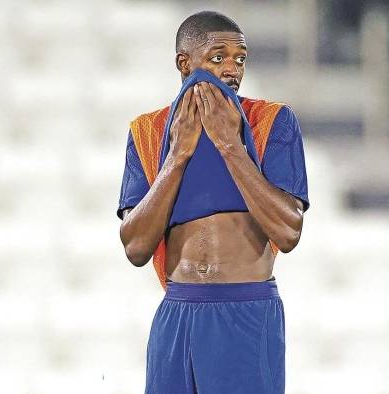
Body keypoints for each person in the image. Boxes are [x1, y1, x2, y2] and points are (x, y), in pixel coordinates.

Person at [116, 11, 309, 394]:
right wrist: (178, 155)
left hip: (246, 310)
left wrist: (229, 145)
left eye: (240, 59)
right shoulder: (149, 131)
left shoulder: (273, 121)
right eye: (218, 57)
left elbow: (289, 232)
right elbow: (136, 248)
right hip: (177, 313)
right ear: (184, 63)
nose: (233, 70)